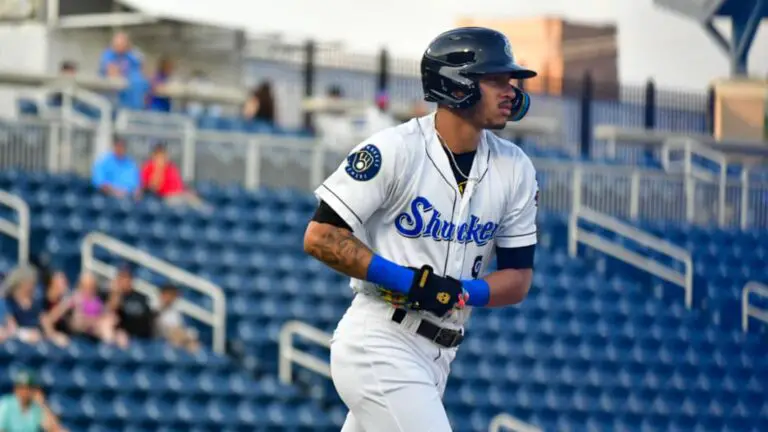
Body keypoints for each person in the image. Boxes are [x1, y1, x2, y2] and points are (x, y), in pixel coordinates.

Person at [302, 27, 536, 432]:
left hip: (440, 354)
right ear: (457, 83)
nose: (510, 90)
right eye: (496, 79)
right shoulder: (396, 149)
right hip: (381, 338)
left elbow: (518, 279)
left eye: (510, 80)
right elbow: (320, 236)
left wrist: (463, 291)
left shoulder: (515, 167)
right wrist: (411, 282)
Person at [0, 370, 66, 432]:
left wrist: (42, 404)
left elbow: (53, 428)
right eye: (21, 387)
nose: (24, 392)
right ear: (15, 389)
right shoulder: (6, 404)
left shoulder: (35, 407)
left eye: (28, 388)